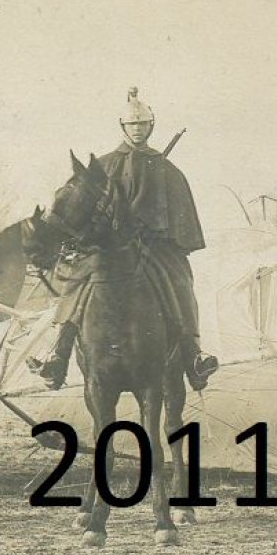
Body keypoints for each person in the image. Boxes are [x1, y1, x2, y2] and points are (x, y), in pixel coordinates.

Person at [31, 87, 220, 391]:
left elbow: (181, 221)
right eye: (132, 125)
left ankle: (193, 355)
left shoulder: (168, 170)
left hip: (155, 248)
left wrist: (157, 232)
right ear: (123, 127)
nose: (137, 130)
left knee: (180, 279)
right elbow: (84, 208)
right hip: (107, 248)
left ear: (151, 126)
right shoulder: (103, 167)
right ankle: (58, 353)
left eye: (142, 124)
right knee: (77, 280)